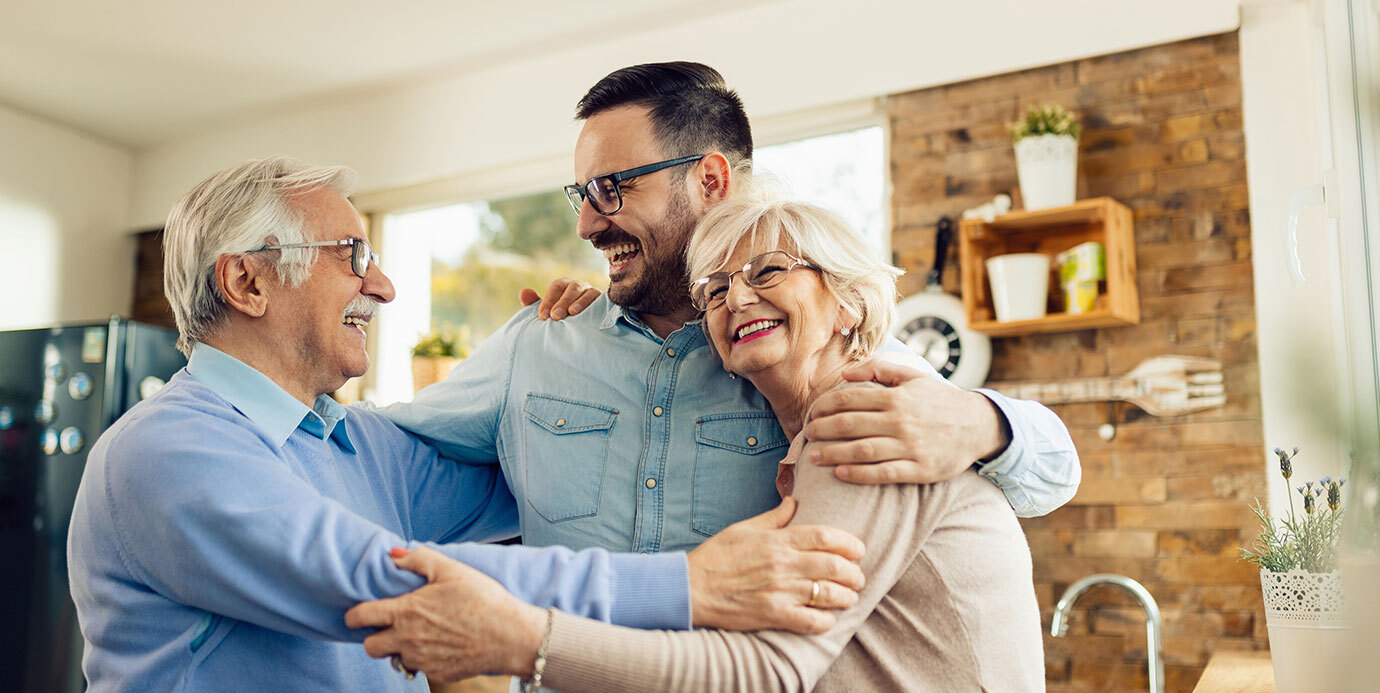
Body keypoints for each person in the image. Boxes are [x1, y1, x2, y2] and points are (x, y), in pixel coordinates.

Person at [67, 157, 867, 692]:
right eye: (352, 252)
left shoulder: (355, 442)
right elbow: (391, 580)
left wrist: (595, 355)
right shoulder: (165, 451)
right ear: (245, 280)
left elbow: (562, 460)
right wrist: (693, 586)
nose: (382, 285)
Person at [375, 65, 1079, 633]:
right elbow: (380, 454)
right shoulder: (539, 342)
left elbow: (1054, 473)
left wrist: (983, 422)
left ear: (709, 180)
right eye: (581, 194)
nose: (588, 222)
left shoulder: (810, 352)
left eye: (611, 189)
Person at [350, 192, 1045, 691]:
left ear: (850, 302)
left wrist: (519, 638)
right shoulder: (809, 432)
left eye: (767, 271)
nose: (735, 299)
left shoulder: (871, 421)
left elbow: (769, 670)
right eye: (714, 289)